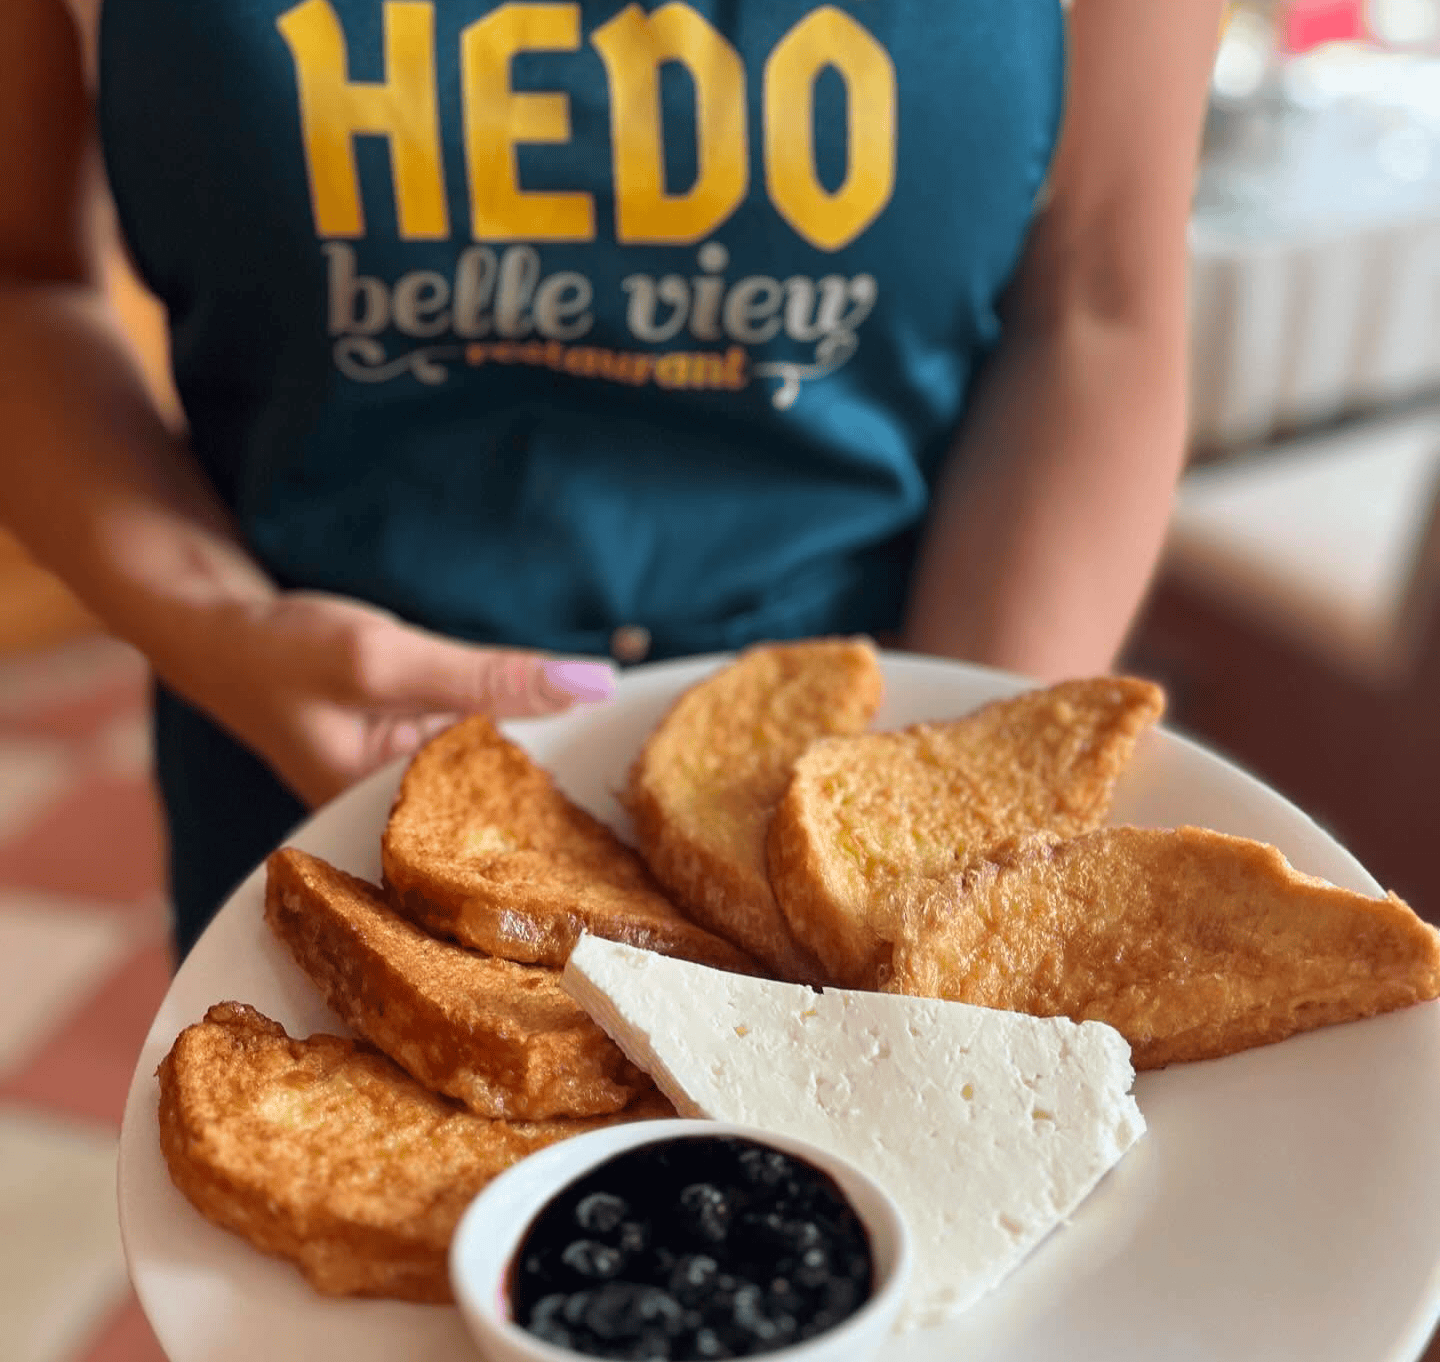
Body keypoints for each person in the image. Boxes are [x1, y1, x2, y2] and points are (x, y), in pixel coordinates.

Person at [0, 0, 1223, 956]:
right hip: (312, 747)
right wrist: (216, 625)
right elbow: (25, 283)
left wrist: (947, 789)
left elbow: (1098, 305)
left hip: (873, 740)